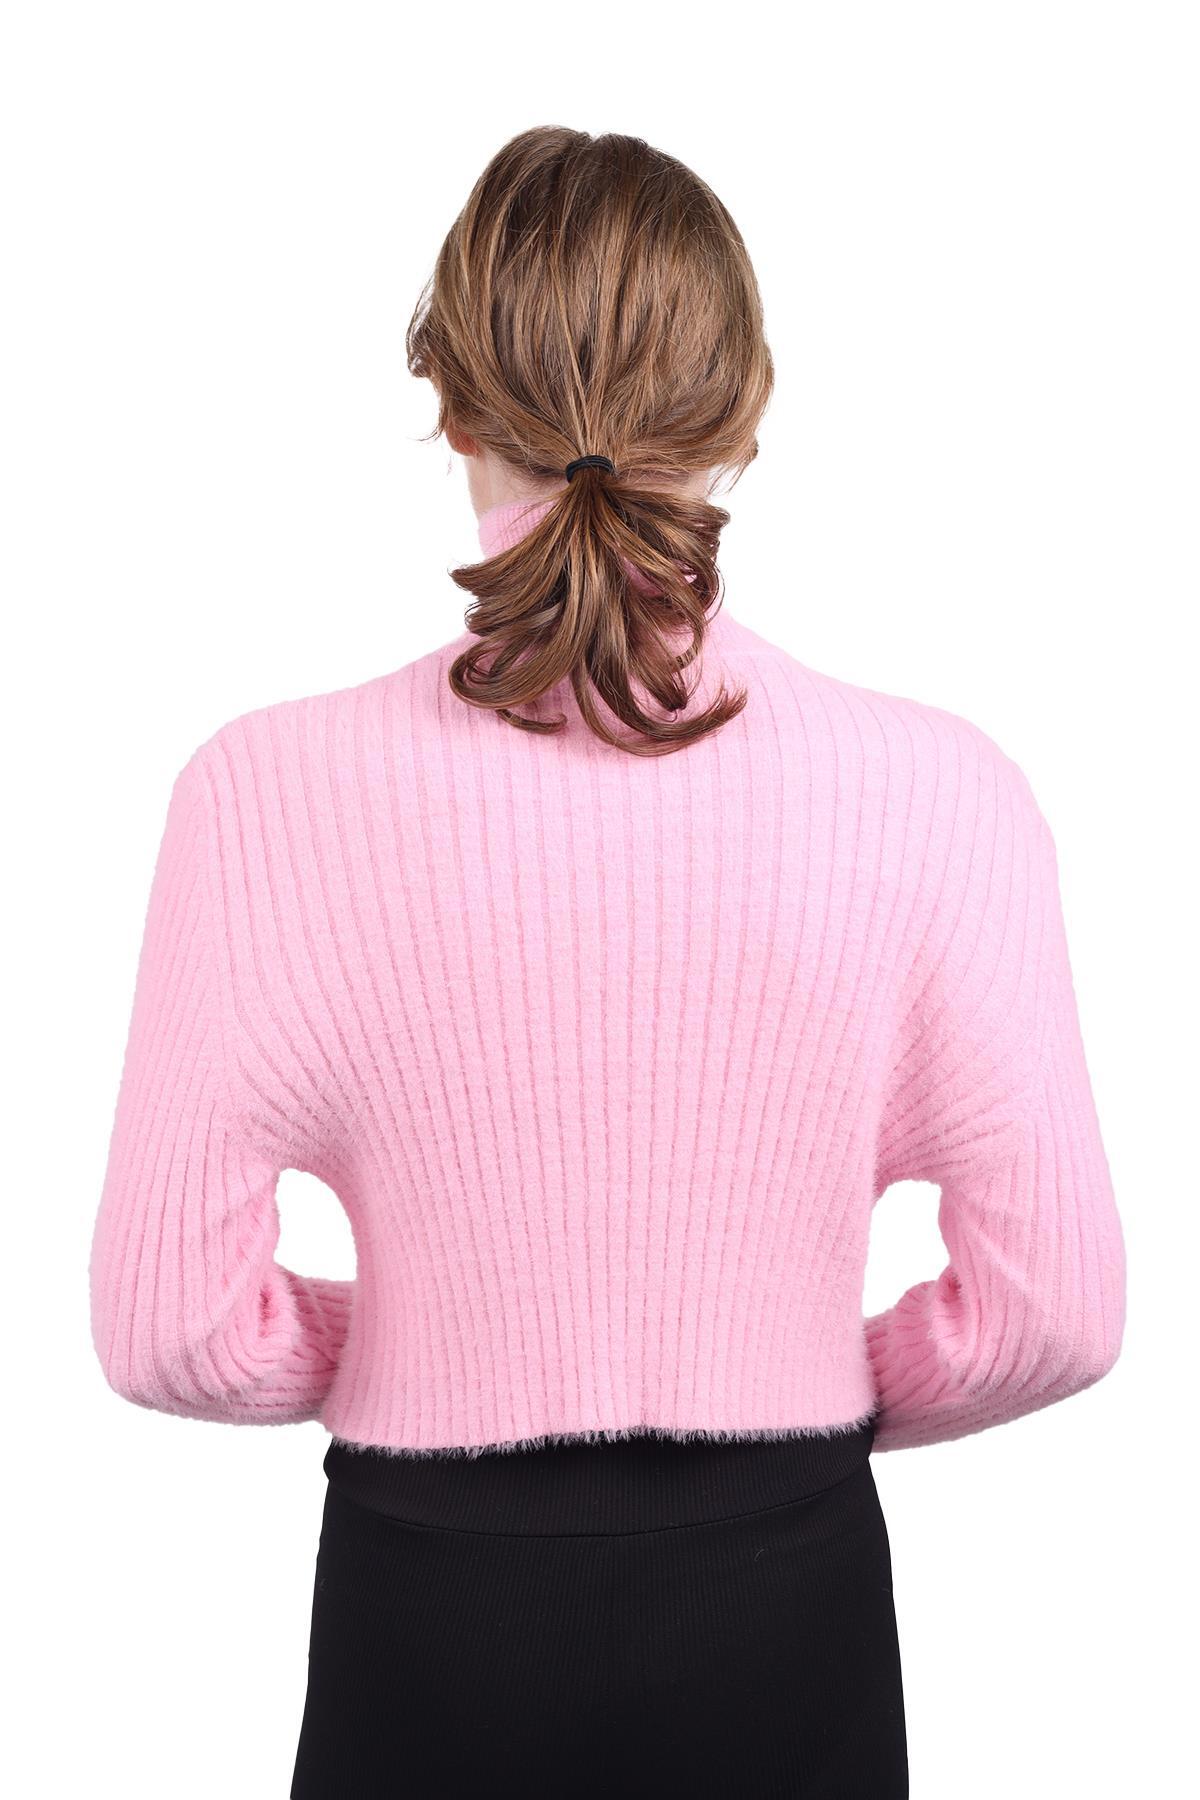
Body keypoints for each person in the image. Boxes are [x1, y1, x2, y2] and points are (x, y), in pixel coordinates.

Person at [88, 126, 1126, 1799]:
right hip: (788, 1602)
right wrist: (806, 1363)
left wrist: (428, 1328)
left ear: (448, 403)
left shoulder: (260, 795)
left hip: (427, 1620)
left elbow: (170, 1333)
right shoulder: (944, 794)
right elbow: (1053, 1314)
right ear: (746, 415)